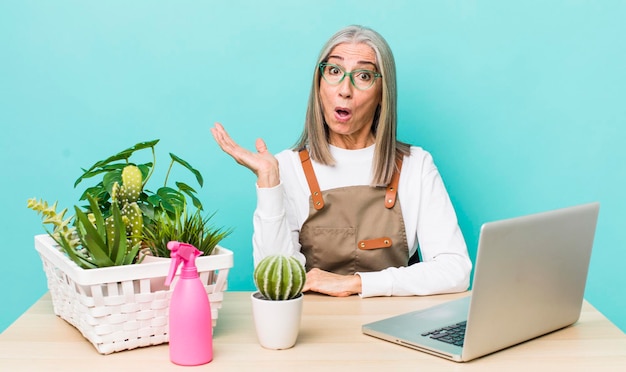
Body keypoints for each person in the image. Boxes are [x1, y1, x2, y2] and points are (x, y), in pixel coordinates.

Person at [211, 25, 472, 298]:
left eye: (363, 75)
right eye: (334, 71)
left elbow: (455, 270)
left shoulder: (415, 165)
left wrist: (355, 283)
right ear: (319, 84)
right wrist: (268, 181)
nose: (345, 89)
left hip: (392, 329)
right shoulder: (286, 167)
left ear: (383, 92)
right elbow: (275, 282)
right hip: (312, 331)